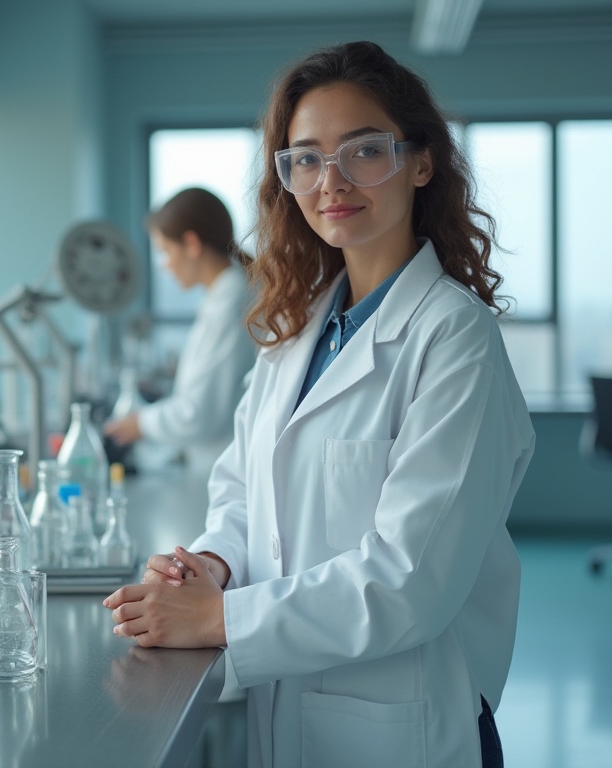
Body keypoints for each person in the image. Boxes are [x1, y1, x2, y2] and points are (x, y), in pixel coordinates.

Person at [102, 41, 535, 768]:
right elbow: (242, 490)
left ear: (420, 162)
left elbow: (411, 580)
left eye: (363, 150)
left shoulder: (454, 336)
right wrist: (211, 564)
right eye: (304, 158)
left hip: (411, 727)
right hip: (296, 710)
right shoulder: (296, 326)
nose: (331, 180)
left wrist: (221, 617)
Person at [103, 187, 258, 475]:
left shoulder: (233, 301)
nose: (165, 265)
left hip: (228, 469)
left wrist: (140, 424)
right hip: (216, 467)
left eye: (166, 252)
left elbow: (200, 414)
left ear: (191, 243)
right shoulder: (223, 296)